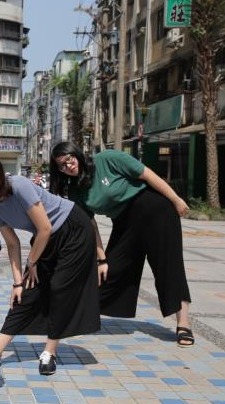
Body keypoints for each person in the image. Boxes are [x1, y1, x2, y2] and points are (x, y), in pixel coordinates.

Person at [0, 152, 100, 375]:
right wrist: (18, 283)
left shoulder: (19, 185)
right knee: (27, 291)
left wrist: (32, 261)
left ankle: (49, 352)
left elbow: (44, 227)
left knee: (60, 288)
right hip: (47, 238)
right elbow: (13, 244)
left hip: (73, 229)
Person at [49, 142, 195, 347]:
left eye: (69, 159)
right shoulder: (75, 191)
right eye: (62, 165)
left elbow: (147, 175)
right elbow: (91, 226)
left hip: (155, 210)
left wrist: (176, 199)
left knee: (169, 268)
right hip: (124, 223)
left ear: (77, 154)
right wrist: (101, 259)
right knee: (110, 271)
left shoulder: (108, 159)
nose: (68, 166)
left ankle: (184, 323)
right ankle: (80, 317)